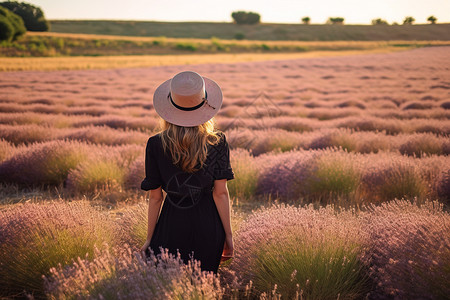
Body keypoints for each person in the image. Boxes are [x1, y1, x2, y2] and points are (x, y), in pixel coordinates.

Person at [139, 70, 234, 274]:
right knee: (203, 288)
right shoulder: (217, 142)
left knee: (168, 289)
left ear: (169, 107)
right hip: (209, 226)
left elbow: (155, 198)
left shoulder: (155, 144)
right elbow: (221, 193)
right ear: (205, 105)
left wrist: (150, 238)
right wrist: (228, 236)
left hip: (171, 225)